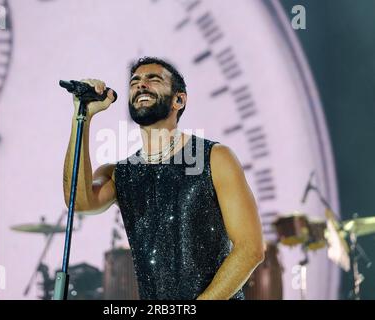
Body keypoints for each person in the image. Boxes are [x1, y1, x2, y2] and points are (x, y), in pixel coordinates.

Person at [63, 57, 264, 300]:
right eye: (135, 82)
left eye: (153, 79)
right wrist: (81, 116)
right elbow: (80, 201)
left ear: (179, 100)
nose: (141, 85)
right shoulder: (120, 174)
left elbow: (250, 248)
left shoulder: (215, 158)